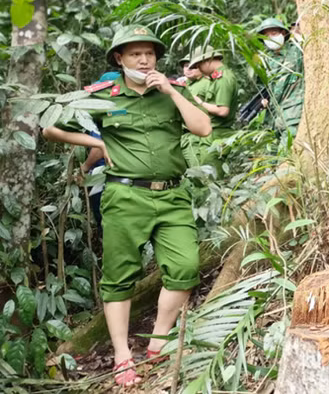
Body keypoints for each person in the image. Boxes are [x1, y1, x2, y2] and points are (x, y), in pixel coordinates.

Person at [42, 25, 211, 387]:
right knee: (119, 276)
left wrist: (170, 90)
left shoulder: (173, 91)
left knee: (185, 267)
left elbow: (203, 128)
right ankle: (122, 356)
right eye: (135, 53)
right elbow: (49, 128)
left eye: (149, 53)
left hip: (173, 195)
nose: (144, 59)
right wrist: (97, 143)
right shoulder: (104, 96)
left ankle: (157, 341)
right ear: (120, 59)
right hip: (125, 196)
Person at [238, 18, 304, 141]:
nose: (270, 38)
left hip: (294, 112)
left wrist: (298, 35)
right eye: (266, 36)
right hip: (275, 119)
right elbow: (265, 88)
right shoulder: (264, 60)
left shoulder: (296, 49)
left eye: (273, 34)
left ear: (283, 33)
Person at [80, 71, 122, 234]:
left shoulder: (107, 112)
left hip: (104, 172)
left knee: (104, 216)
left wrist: (85, 167)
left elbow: (99, 146)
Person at [188, 45, 238, 172]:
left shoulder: (223, 79)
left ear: (207, 60)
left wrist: (200, 102)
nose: (198, 69)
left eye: (199, 65)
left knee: (210, 175)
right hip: (211, 133)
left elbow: (223, 110)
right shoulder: (216, 78)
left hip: (218, 134)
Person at [179, 52, 209, 168]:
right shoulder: (181, 84)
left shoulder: (207, 83)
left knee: (199, 171)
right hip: (181, 135)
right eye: (186, 66)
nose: (189, 69)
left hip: (198, 136)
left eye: (193, 66)